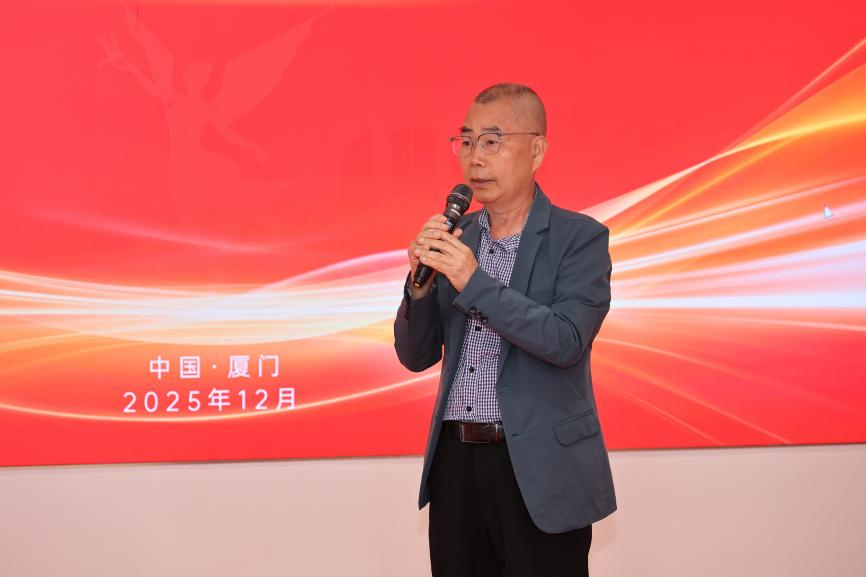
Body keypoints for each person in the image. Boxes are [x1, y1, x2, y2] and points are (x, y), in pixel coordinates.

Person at [394, 83, 616, 577]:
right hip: (456, 464)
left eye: (492, 142)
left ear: (536, 151)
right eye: (466, 141)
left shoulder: (579, 239)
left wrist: (474, 282)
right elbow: (415, 355)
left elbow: (565, 341)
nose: (474, 158)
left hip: (538, 469)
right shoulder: (459, 237)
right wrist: (419, 286)